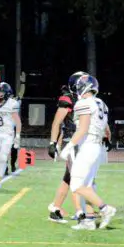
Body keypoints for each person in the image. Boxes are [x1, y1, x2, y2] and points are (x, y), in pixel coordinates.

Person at [62, 75, 117, 230]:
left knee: (76, 185)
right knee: (87, 185)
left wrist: (69, 146)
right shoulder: (101, 103)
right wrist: (107, 139)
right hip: (97, 147)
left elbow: (83, 128)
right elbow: (107, 129)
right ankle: (89, 221)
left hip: (88, 146)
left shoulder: (84, 103)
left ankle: (105, 209)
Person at [47, 71, 89, 223]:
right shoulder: (68, 99)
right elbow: (57, 122)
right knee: (77, 177)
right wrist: (53, 143)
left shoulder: (84, 98)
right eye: (83, 83)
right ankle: (82, 212)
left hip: (81, 141)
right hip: (71, 141)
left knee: (69, 177)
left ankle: (55, 208)